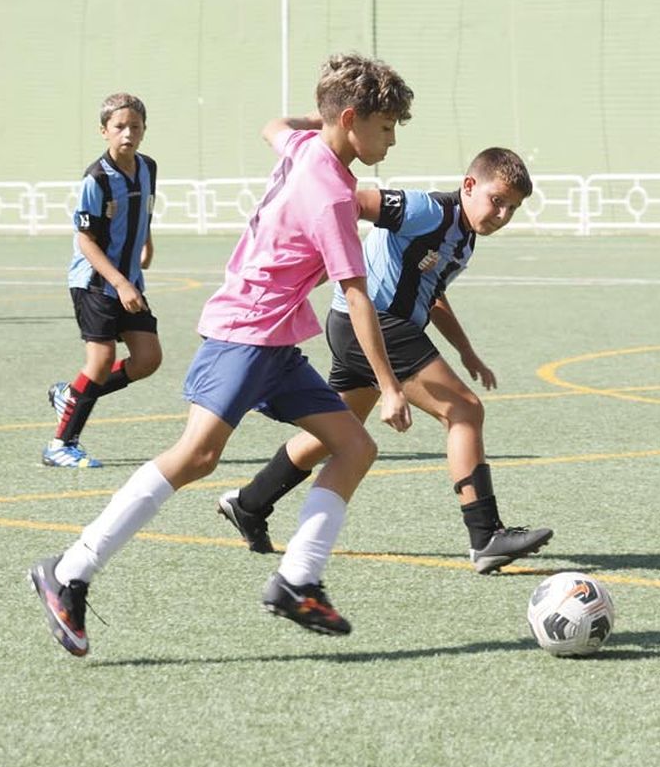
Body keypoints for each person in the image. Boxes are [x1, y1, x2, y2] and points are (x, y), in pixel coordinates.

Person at [29, 53, 415, 656]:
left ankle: (298, 580)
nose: (392, 140)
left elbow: (272, 126)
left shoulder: (306, 148)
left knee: (355, 446)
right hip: (246, 330)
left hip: (276, 335)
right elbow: (356, 296)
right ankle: (70, 570)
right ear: (351, 119)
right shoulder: (332, 196)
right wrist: (390, 387)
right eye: (386, 127)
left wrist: (318, 120)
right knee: (197, 455)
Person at [217, 147, 553, 575]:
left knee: (333, 433)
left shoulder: (464, 235)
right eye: (498, 201)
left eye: (513, 209)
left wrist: (466, 350)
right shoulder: (426, 209)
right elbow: (351, 200)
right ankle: (485, 535)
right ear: (469, 186)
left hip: (367, 330)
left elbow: (431, 294)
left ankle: (249, 504)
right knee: (464, 411)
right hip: (375, 322)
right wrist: (323, 260)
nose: (503, 215)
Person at [44, 93, 164, 468]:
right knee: (100, 361)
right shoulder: (96, 178)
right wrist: (121, 283)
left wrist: (146, 242)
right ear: (104, 131)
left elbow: (144, 207)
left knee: (147, 359)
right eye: (119, 127)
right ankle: (60, 445)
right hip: (95, 282)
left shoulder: (148, 167)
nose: (128, 133)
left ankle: (71, 393)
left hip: (129, 280)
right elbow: (85, 240)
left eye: (135, 126)